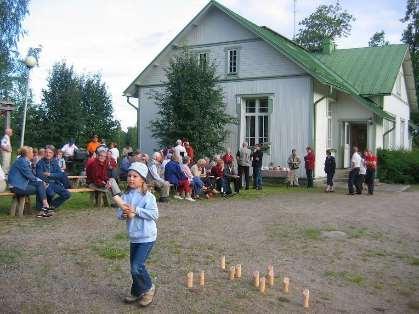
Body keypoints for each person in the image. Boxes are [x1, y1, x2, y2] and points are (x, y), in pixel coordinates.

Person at [117, 162, 158, 307]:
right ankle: (136, 291)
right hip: (134, 236)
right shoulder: (125, 195)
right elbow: (119, 214)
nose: (131, 178)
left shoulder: (148, 196)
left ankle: (148, 288)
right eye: (129, 175)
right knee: (134, 267)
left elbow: (154, 215)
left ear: (142, 179)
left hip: (147, 236)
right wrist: (123, 214)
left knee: (137, 266)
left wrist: (137, 210)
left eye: (135, 176)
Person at [8, 146, 52, 218]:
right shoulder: (22, 162)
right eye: (32, 152)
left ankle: (45, 206)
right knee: (40, 187)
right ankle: (45, 206)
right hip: (16, 187)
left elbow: (31, 176)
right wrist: (42, 182)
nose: (33, 154)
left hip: (21, 184)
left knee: (40, 185)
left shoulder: (23, 160)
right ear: (27, 154)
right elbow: (30, 176)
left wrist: (41, 182)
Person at [36, 145, 71, 211]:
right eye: (46, 152)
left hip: (54, 183)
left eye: (50, 152)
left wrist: (50, 174)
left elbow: (60, 174)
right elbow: (39, 175)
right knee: (50, 193)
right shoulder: (40, 163)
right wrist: (48, 179)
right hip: (45, 184)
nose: (48, 154)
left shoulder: (54, 162)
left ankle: (52, 205)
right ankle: (45, 206)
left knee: (67, 194)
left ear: (53, 154)